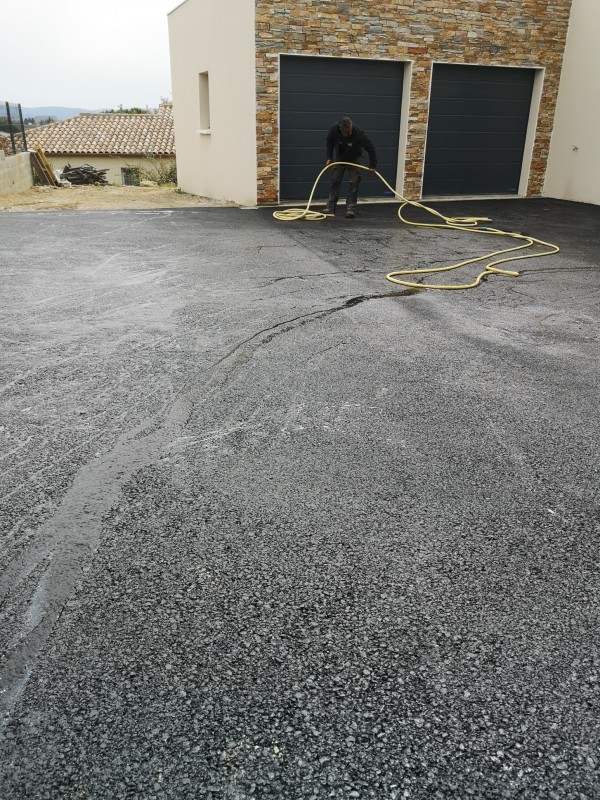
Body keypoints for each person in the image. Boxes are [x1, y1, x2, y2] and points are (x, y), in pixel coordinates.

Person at [324, 116, 377, 218]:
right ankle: (330, 207)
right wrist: (329, 157)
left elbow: (371, 148)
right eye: (347, 132)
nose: (349, 133)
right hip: (340, 159)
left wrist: (373, 165)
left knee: (354, 182)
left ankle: (350, 208)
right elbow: (329, 143)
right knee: (335, 181)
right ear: (341, 129)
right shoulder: (334, 130)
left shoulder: (358, 133)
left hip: (354, 159)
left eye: (350, 130)